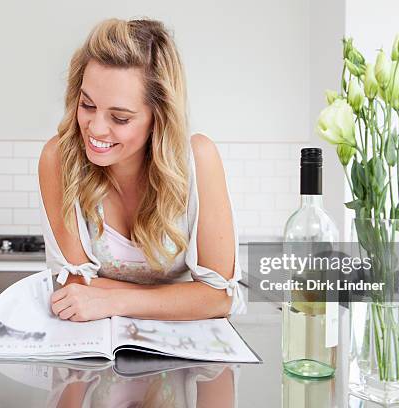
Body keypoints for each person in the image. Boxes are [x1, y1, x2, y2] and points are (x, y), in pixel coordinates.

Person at [38, 18, 245, 322]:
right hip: (96, 352)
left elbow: (219, 296)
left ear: (158, 117)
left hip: (188, 353)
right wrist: (183, 297)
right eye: (87, 105)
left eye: (120, 118)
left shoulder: (198, 159)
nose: (95, 128)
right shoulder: (60, 158)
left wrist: (114, 301)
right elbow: (74, 289)